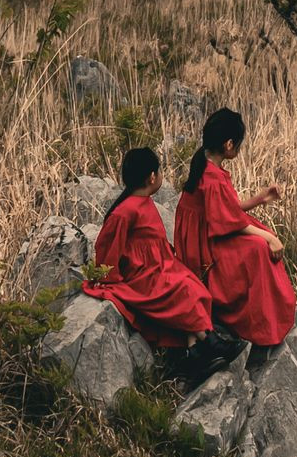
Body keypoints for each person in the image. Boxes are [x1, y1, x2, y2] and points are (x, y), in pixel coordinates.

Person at [87, 147, 235, 379]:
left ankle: (194, 352)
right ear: (152, 177)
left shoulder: (143, 202)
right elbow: (108, 246)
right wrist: (108, 278)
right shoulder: (125, 211)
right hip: (143, 276)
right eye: (160, 171)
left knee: (192, 285)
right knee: (183, 290)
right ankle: (210, 340)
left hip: (160, 268)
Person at [173, 106, 297, 360]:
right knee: (259, 249)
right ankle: (260, 325)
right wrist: (271, 238)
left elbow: (224, 212)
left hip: (205, 237)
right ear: (229, 144)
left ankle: (264, 322)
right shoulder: (212, 177)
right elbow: (226, 221)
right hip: (204, 248)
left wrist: (259, 198)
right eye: (238, 143)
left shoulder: (206, 164)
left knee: (260, 238)